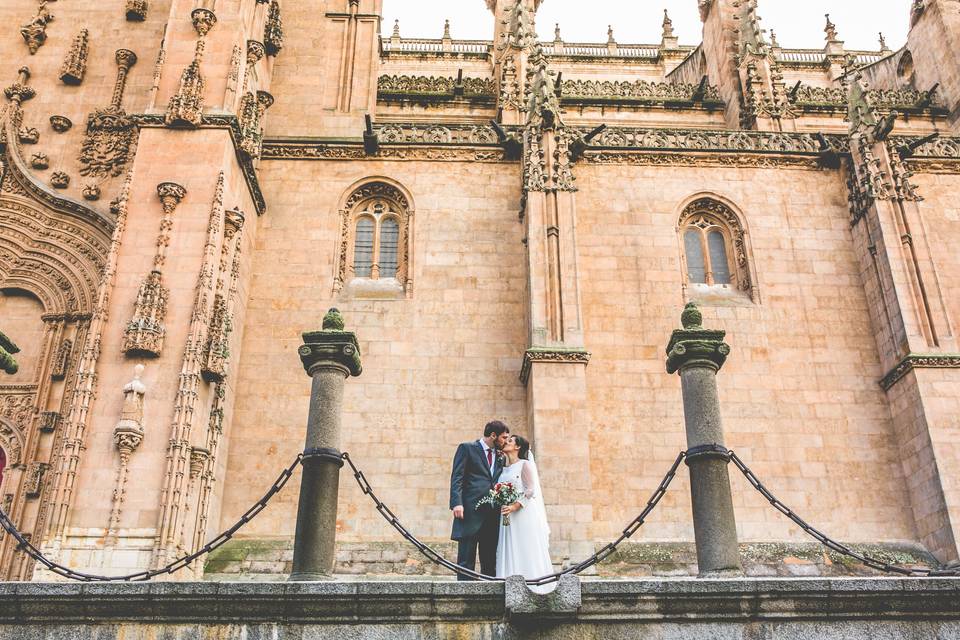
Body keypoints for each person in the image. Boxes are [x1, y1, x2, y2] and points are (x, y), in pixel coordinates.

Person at [449, 420, 510, 579]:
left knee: (490, 558)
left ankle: (488, 592)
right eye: (503, 438)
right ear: (493, 435)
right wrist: (457, 503)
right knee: (466, 558)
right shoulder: (467, 448)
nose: (505, 441)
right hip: (470, 510)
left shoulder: (501, 457)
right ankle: (464, 593)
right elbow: (457, 477)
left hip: (492, 512)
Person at [495, 435, 556, 594]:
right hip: (507, 516)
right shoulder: (504, 468)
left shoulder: (525, 465)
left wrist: (514, 506)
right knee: (510, 545)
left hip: (522, 514)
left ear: (517, 447)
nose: (505, 442)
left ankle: (532, 585)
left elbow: (530, 490)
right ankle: (509, 582)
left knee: (524, 545)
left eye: (510, 441)